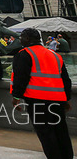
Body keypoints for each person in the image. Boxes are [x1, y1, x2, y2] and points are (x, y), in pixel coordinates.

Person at [11, 28, 72, 159]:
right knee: (61, 131)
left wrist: (16, 97)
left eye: (21, 37)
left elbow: (20, 78)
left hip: (37, 100)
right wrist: (66, 99)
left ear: (27, 39)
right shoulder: (55, 55)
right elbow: (66, 80)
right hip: (58, 100)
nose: (20, 39)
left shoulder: (24, 54)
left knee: (46, 134)